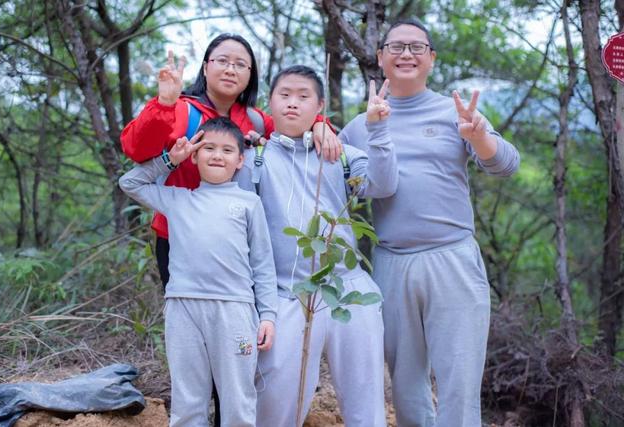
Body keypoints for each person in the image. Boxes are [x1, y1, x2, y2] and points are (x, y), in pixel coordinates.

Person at [339, 17, 521, 427]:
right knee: (405, 383)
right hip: (392, 262)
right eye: (397, 47)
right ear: (381, 58)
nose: (407, 54)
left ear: (432, 59)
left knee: (458, 379)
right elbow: (341, 185)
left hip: (452, 258)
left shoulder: (454, 112)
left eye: (417, 47)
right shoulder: (359, 126)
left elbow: (507, 165)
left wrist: (478, 137)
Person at [236, 65, 397, 427]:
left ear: (319, 105)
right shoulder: (253, 159)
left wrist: (378, 128)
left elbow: (382, 185)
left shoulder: (340, 155)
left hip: (347, 288)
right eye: (284, 95)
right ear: (271, 102)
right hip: (284, 292)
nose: (292, 104)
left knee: (365, 400)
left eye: (303, 96)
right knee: (276, 401)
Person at [120, 33, 340, 290]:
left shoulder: (256, 120)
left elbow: (294, 126)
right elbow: (135, 150)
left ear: (250, 74)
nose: (230, 70)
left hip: (238, 236)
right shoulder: (180, 110)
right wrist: (164, 103)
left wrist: (320, 125)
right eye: (222, 61)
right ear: (205, 67)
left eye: (240, 65)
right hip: (181, 235)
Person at [119, 117, 277, 426]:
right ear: (195, 155)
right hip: (183, 309)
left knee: (238, 398)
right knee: (188, 400)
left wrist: (268, 315)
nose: (218, 155)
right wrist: (170, 160)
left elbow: (263, 264)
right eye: (209, 148)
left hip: (235, 312)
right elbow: (130, 183)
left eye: (228, 150)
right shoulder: (179, 200)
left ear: (240, 160)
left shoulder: (249, 203)